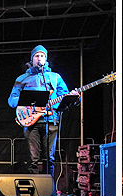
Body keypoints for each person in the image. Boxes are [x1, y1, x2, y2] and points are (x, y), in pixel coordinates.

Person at [8, 45, 77, 176]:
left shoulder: (55, 77)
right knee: (33, 159)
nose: (39, 59)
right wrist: (27, 103)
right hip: (30, 121)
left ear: (46, 59)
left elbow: (64, 98)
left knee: (49, 159)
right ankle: (35, 190)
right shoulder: (22, 78)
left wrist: (73, 97)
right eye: (36, 56)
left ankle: (48, 191)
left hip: (50, 120)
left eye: (42, 56)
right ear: (32, 59)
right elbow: (12, 100)